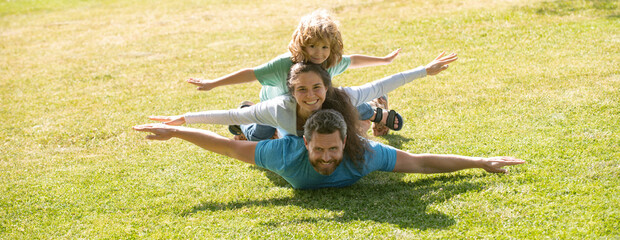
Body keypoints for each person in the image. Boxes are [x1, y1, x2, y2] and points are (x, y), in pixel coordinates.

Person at [133, 109, 525, 189]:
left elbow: (419, 163)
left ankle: (373, 111)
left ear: (345, 144)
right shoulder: (284, 153)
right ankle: (250, 122)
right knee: (252, 138)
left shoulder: (364, 154)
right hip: (273, 139)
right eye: (318, 150)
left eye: (332, 150)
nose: (325, 157)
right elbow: (227, 150)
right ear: (305, 143)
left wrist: (478, 162)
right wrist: (178, 133)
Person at [149, 52, 457, 147]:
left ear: (327, 85)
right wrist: (184, 120)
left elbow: (384, 81)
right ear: (291, 91)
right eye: (301, 90)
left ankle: (372, 110)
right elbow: (230, 113)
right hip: (270, 124)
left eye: (316, 88)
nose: (310, 96)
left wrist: (424, 70)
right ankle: (373, 112)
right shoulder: (280, 106)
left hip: (329, 123)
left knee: (353, 121)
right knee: (253, 131)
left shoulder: (341, 95)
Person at [185, 9, 401, 140]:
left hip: (312, 105)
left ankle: (375, 109)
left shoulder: (330, 61)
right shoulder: (283, 64)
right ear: (302, 44)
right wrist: (213, 83)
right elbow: (251, 74)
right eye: (312, 46)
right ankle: (245, 115)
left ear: (332, 47)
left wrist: (384, 60)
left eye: (324, 47)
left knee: (340, 102)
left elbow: (353, 60)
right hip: (276, 108)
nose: (318, 53)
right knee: (259, 135)